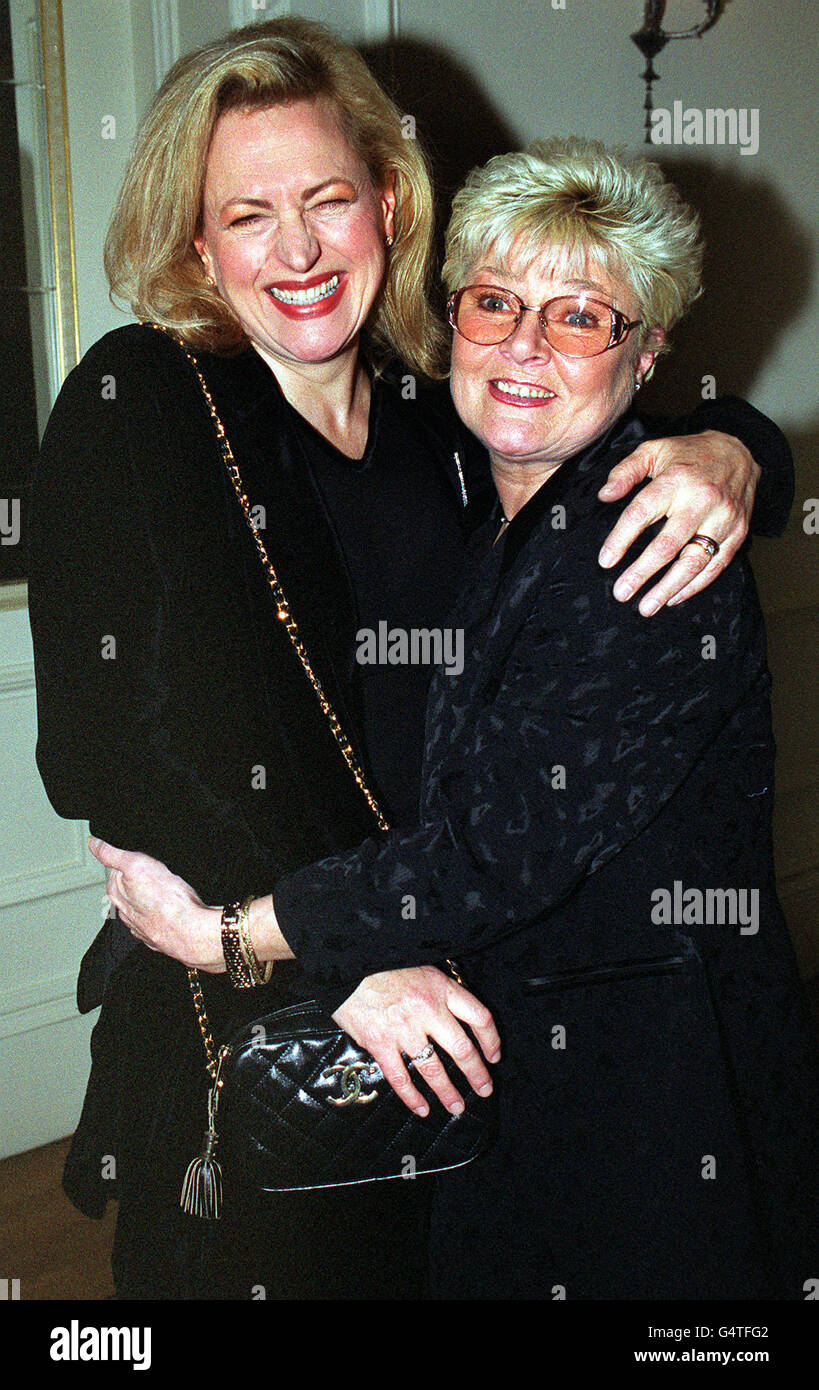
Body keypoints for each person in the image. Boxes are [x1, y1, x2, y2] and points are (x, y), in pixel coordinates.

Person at [30, 15, 793, 1300]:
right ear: (195, 240)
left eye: (328, 199)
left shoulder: (433, 409)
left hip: (465, 1005)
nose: (295, 250)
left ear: (388, 201)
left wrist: (738, 451)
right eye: (247, 213)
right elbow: (102, 746)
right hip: (285, 1005)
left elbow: (609, 399)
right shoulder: (143, 403)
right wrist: (329, 952)